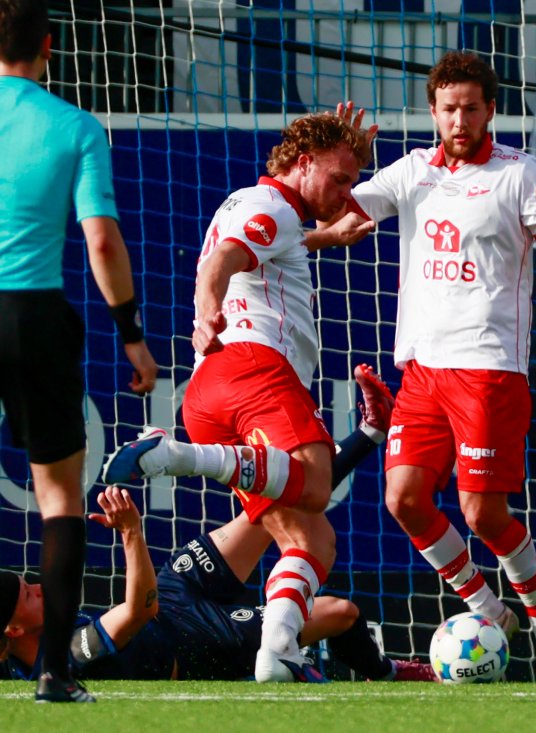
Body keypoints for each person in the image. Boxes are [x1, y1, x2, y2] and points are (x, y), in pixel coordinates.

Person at [317, 51, 536, 682]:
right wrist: (339, 159)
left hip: (488, 369)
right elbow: (333, 212)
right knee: (405, 498)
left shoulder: (518, 173)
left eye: (470, 108)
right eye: (448, 109)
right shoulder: (413, 171)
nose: (459, 120)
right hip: (422, 371)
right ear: (433, 112)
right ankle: (489, 611)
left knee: (483, 513)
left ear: (490, 110)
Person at [101, 113, 375, 683]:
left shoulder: (265, 208)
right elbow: (223, 259)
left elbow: (269, 244)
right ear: (303, 164)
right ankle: (176, 456)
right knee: (317, 483)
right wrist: (207, 314)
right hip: (254, 370)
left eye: (352, 182)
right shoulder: (273, 206)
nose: (345, 193)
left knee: (312, 539)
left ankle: (277, 654)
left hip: (210, 391)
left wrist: (329, 234)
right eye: (339, 179)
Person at [2, 421, 437, 684]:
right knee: (341, 612)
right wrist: (131, 532)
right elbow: (139, 611)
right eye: (28, 594)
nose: (39, 588)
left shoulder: (29, 651)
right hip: (197, 640)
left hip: (174, 590)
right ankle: (387, 672)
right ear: (14, 630)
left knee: (266, 504)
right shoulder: (69, 656)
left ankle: (371, 430)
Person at [0, 0, 159, 702]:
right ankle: (54, 673)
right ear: (49, 44)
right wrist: (131, 334)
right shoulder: (74, 126)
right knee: (60, 499)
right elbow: (101, 239)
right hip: (32, 315)